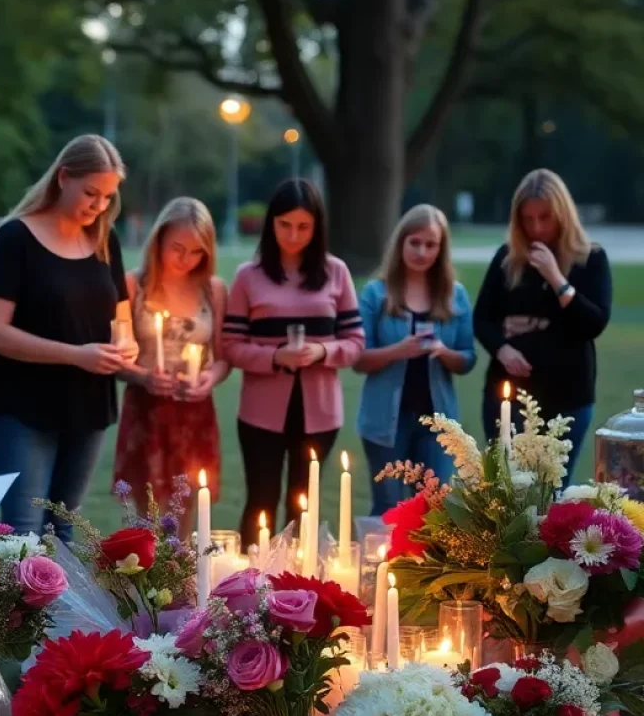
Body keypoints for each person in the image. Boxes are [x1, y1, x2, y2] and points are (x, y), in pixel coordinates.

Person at [0, 134, 132, 538]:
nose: (98, 206)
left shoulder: (103, 240)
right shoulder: (16, 238)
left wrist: (126, 346)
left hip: (89, 406)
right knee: (23, 533)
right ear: (63, 177)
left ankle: (59, 605)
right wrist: (77, 354)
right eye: (90, 193)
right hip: (25, 406)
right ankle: (17, 605)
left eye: (107, 198)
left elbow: (123, 322)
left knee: (63, 528)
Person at [223, 178, 364, 545]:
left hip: (320, 412)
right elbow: (231, 345)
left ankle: (297, 590)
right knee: (261, 500)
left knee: (304, 502)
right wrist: (274, 356)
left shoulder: (336, 273)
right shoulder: (248, 277)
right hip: (260, 413)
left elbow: (355, 343)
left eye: (303, 226)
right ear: (271, 223)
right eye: (285, 225)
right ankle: (250, 589)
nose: (293, 235)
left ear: (317, 227)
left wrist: (322, 352)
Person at [474, 168, 611, 475]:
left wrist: (557, 279)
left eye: (545, 217)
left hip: (568, 396)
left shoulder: (591, 259)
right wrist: (502, 349)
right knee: (506, 490)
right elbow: (483, 319)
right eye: (528, 218)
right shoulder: (507, 259)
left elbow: (593, 323)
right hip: (509, 394)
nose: (536, 227)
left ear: (562, 213)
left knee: (552, 492)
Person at [113, 197, 228, 534]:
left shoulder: (214, 290)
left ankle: (182, 581)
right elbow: (116, 358)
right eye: (177, 248)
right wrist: (143, 377)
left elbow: (223, 358)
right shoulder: (134, 286)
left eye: (196, 252)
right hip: (146, 411)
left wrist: (209, 378)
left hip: (195, 413)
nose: (185, 259)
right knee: (146, 517)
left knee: (187, 510)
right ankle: (144, 581)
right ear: (158, 239)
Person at [355, 204, 476, 514]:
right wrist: (400, 350)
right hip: (385, 422)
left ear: (441, 248)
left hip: (437, 424)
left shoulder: (454, 295)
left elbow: (467, 359)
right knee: (389, 509)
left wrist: (443, 352)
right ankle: (383, 564)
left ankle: (427, 565)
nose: (422, 251)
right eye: (415, 242)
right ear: (401, 243)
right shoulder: (376, 293)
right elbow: (358, 359)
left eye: (430, 244)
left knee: (436, 510)